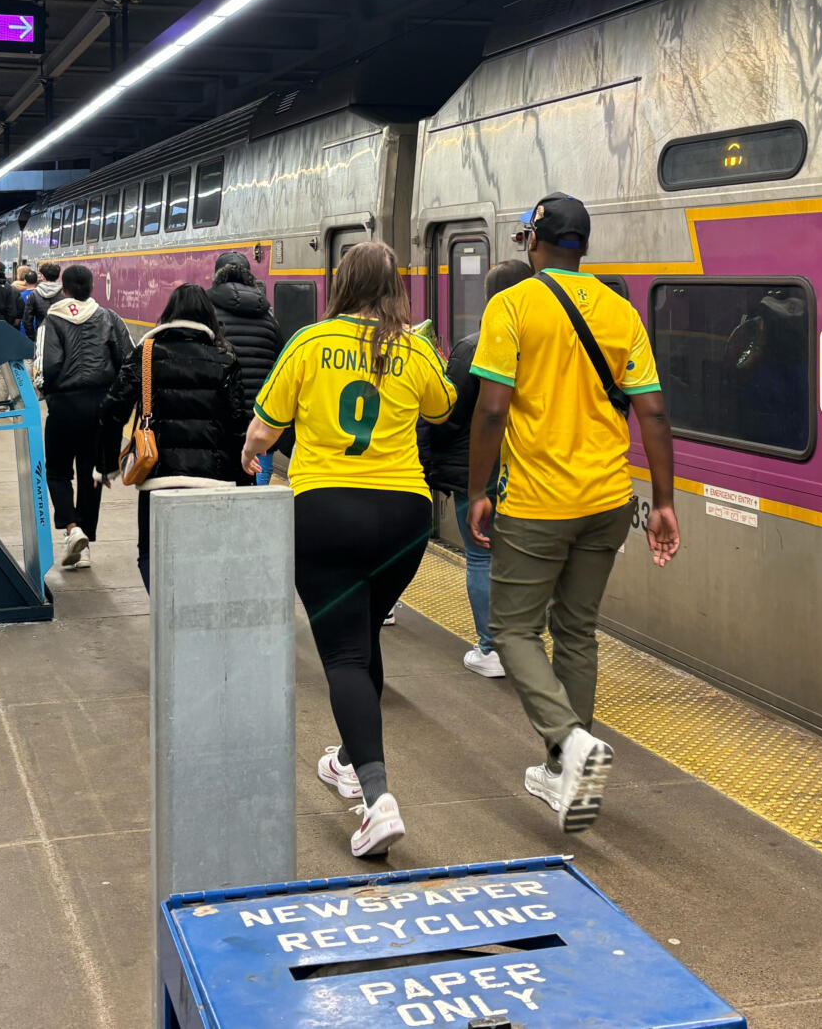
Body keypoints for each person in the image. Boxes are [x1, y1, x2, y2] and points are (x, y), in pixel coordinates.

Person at [467, 193, 680, 833]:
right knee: (578, 631)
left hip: (538, 502)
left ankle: (570, 742)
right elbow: (655, 414)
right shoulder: (619, 312)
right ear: (581, 247)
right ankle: (564, 771)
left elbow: (493, 410)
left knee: (512, 631)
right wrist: (665, 502)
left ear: (535, 242)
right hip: (609, 502)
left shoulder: (512, 306)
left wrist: (479, 488)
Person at [241, 241, 456, 859]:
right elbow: (443, 411)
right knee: (364, 638)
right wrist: (424, 358)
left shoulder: (309, 343)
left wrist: (253, 454)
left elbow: (264, 427)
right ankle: (347, 759)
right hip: (405, 521)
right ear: (394, 288)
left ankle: (378, 799)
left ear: (341, 283)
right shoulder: (412, 348)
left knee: (341, 653)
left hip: (326, 513)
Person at [420, 259, 532, 678]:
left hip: (481, 469)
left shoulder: (473, 347)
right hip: (532, 466)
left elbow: (449, 415)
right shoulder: (550, 342)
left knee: (482, 557)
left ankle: (492, 649)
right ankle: (524, 645)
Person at [98, 284, 250, 591]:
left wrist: (107, 465)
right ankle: (194, 618)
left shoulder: (147, 354)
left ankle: (170, 619)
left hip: (159, 478)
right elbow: (238, 423)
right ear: (209, 316)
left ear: (169, 313)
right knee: (206, 558)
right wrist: (241, 479)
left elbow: (112, 409)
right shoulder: (225, 358)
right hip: (213, 481)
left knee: (150, 555)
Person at [36, 264, 133, 569]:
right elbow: (129, 362)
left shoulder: (51, 320)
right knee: (93, 474)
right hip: (101, 407)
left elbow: (45, 368)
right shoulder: (109, 317)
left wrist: (47, 392)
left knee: (57, 472)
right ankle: (85, 544)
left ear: (63, 289)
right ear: (93, 288)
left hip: (64, 407)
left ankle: (71, 528)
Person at [209, 250, 288, 486]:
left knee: (222, 480)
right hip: (260, 417)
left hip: (221, 417)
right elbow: (280, 365)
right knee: (260, 472)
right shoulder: (268, 319)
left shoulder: (208, 316)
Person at [23, 260, 62, 338]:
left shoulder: (34, 294)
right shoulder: (63, 293)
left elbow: (27, 320)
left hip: (41, 335)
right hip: (60, 336)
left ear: (43, 276)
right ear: (57, 276)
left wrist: (34, 337)